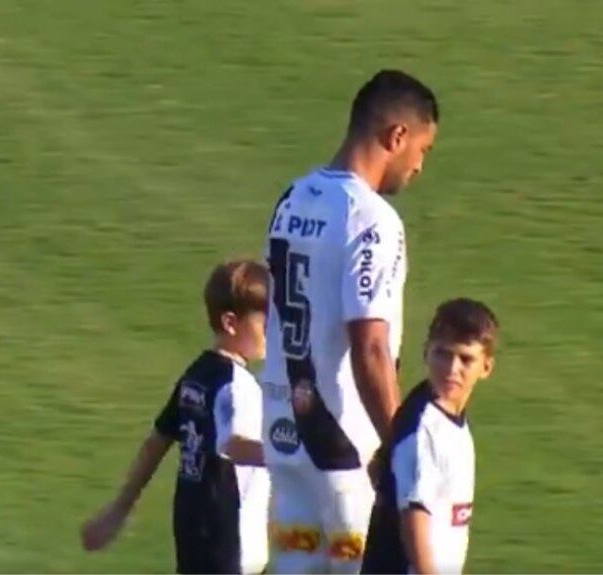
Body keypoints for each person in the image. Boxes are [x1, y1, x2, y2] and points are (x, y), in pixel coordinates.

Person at [261, 69, 439, 573]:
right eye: (423, 150)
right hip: (343, 446)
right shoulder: (372, 220)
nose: (420, 167)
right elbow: (371, 347)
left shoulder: (291, 198)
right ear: (396, 136)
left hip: (284, 434)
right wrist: (400, 444)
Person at [80, 259, 271, 574]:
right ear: (231, 323)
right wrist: (296, 456)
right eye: (264, 323)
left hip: (194, 533)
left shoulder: (195, 376)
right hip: (228, 543)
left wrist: (119, 509)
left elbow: (157, 441)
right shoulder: (238, 386)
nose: (272, 332)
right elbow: (234, 445)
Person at [361, 298, 499, 574]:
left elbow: (377, 468)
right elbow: (415, 520)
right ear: (426, 353)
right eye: (442, 354)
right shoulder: (425, 429)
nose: (452, 369)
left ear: (486, 367)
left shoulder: (433, 409)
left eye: (466, 359)